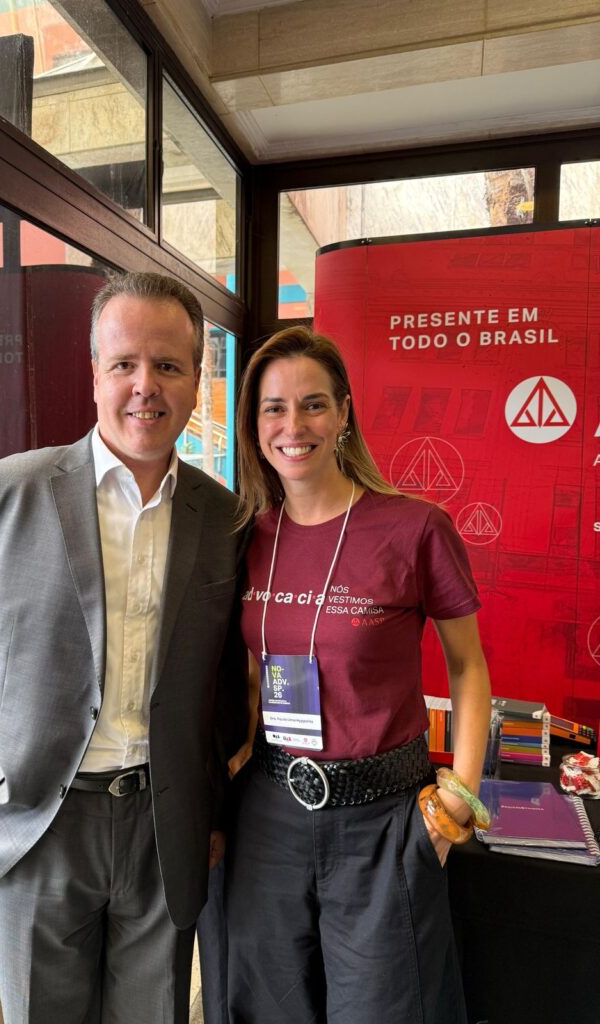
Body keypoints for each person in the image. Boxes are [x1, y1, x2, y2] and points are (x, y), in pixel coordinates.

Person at [0, 271, 247, 1024]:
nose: (145, 385)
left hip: (164, 829)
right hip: (37, 823)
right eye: (124, 363)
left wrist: (211, 808)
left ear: (196, 381)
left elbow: (223, 682)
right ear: (94, 374)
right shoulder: (4, 491)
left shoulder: (223, 517)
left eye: (168, 364)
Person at [225, 326, 491, 1024]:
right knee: (268, 1007)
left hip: (384, 821)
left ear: (343, 412)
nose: (293, 426)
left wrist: (460, 799)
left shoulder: (415, 528)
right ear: (254, 425)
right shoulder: (246, 537)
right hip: (270, 818)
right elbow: (251, 670)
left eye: (313, 404)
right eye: (274, 408)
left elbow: (468, 667)